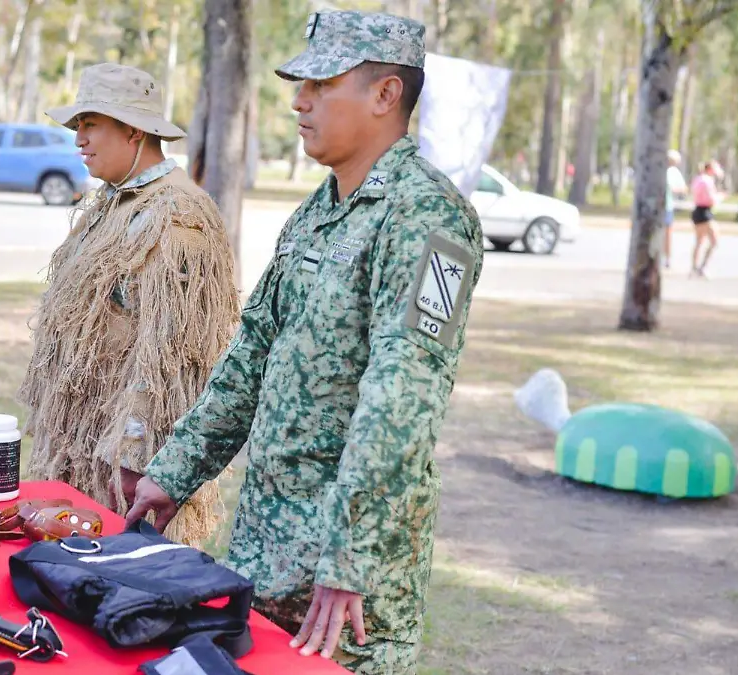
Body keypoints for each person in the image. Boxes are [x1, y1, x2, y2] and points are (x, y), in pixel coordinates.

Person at [125, 10, 484, 675]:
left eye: (321, 83)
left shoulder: (428, 216)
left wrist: (350, 559)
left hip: (343, 585)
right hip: (264, 555)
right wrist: (174, 472)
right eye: (300, 84)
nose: (299, 99)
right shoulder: (316, 212)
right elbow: (250, 356)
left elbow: (402, 397)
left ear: (385, 95)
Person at [17, 63, 241, 548]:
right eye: (77, 126)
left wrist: (136, 456)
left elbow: (173, 354)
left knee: (122, 585)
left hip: (122, 467)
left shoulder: (178, 214)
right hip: (83, 443)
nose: (79, 139)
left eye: (90, 124)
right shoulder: (115, 202)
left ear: (133, 129)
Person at [689, 160, 724, 278]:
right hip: (704, 211)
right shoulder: (707, 181)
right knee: (714, 240)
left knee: (699, 241)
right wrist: (719, 198)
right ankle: (702, 267)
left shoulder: (698, 179)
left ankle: (695, 267)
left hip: (700, 211)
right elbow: (710, 198)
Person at [663, 149, 688, 268]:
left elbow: (682, 188)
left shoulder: (672, 172)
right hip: (665, 206)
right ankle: (665, 258)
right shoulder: (668, 171)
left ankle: (666, 258)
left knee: (666, 233)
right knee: (665, 233)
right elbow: (682, 188)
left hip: (666, 205)